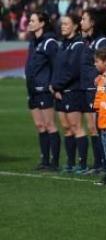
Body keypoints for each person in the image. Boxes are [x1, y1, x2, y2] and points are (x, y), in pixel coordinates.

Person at [50, 14, 86, 173]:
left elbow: (73, 70)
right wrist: (54, 87)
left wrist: (57, 86)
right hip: (60, 91)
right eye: (61, 24)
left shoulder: (78, 44)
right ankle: (71, 162)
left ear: (75, 26)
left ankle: (82, 163)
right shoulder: (62, 44)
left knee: (76, 126)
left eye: (66, 23)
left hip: (73, 91)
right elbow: (57, 68)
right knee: (66, 128)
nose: (62, 26)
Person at [25, 11, 60, 171]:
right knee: (40, 125)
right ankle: (44, 160)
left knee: (49, 124)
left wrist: (53, 85)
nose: (30, 23)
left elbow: (56, 65)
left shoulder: (50, 42)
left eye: (33, 21)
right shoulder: (33, 42)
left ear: (42, 23)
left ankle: (54, 162)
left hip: (44, 89)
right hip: (32, 90)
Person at [80, 7, 106, 174]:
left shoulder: (102, 42)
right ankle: (99, 163)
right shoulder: (90, 41)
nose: (81, 22)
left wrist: (99, 79)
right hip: (88, 88)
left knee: (101, 127)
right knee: (93, 128)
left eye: (84, 19)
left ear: (92, 22)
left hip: (97, 89)